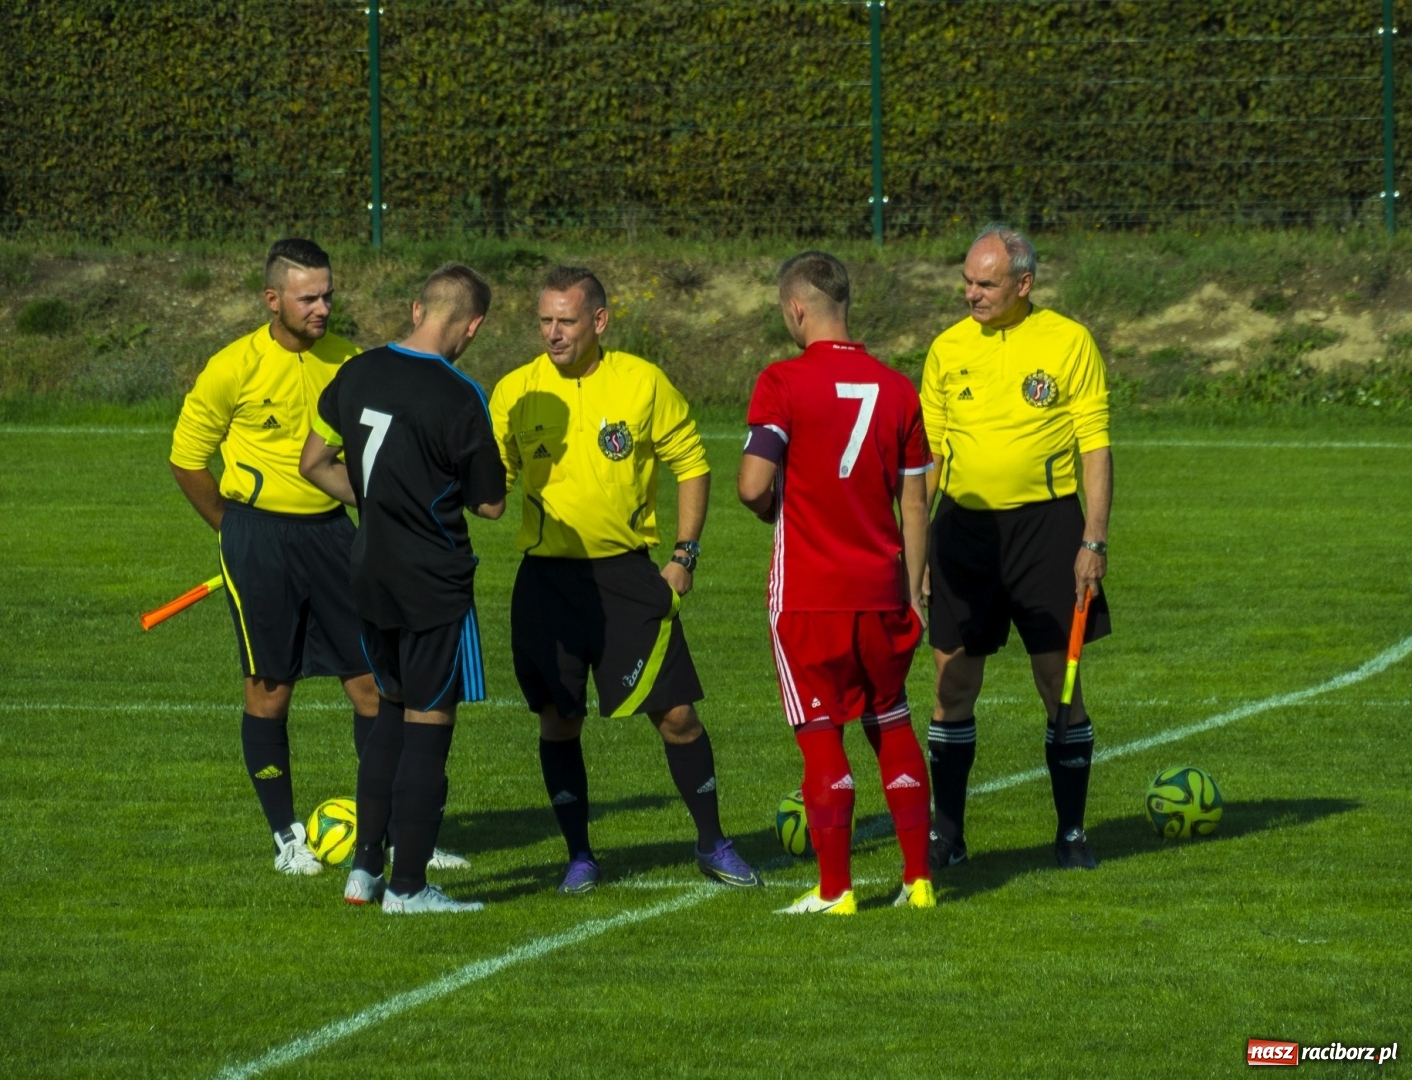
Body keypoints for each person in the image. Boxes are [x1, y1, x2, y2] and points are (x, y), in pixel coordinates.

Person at [488, 265, 760, 894]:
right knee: (558, 720)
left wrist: (683, 557)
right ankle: (579, 855)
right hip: (546, 582)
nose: (553, 333)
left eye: (567, 321)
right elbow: (493, 486)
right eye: (545, 321)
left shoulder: (641, 382)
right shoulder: (514, 391)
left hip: (627, 578)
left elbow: (692, 464)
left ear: (599, 321)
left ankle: (712, 841)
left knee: (678, 716)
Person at [299, 263, 506, 914]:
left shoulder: (356, 371)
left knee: (387, 710)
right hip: (433, 577)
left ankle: (365, 872)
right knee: (428, 719)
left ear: (418, 309)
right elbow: (492, 506)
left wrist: (377, 503)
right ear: (471, 326)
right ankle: (411, 886)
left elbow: (312, 463)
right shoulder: (459, 395)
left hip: (368, 570)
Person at [169, 238, 380, 876]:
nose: (321, 307)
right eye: (308, 297)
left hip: (335, 534)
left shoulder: (351, 362)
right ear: (273, 300)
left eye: (328, 295)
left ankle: (381, 831)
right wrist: (234, 531)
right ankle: (288, 836)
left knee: (373, 685)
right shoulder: (231, 367)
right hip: (259, 539)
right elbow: (186, 461)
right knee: (270, 690)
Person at [738, 251, 936, 915]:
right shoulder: (897, 387)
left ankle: (836, 889)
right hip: (882, 587)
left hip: (809, 592)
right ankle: (919, 880)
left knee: (821, 731)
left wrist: (772, 505)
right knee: (893, 718)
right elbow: (915, 502)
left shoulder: (782, 381)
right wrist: (911, 589)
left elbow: (752, 485)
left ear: (797, 309)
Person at [920, 223, 1113, 871]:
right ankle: (947, 835)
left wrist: (1093, 539)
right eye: (967, 281)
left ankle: (1072, 834)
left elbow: (1095, 446)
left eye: (986, 283)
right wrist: (917, 557)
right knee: (953, 686)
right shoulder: (946, 349)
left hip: (1048, 532)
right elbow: (931, 461)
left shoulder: (1068, 341)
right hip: (962, 532)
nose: (971, 293)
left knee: (1059, 684)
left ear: (1024, 283)